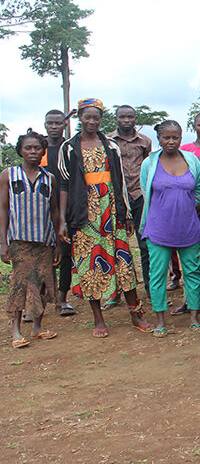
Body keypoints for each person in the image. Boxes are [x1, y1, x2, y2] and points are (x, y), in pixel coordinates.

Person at [57, 98, 153, 337]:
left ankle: (136, 313)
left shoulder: (110, 145)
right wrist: (62, 220)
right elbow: (64, 186)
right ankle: (98, 319)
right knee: (90, 265)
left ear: (101, 119)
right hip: (83, 215)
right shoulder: (68, 148)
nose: (91, 121)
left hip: (111, 212)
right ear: (80, 117)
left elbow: (119, 181)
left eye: (96, 117)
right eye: (87, 117)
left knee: (123, 262)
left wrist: (127, 213)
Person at [139, 120, 200, 336]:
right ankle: (160, 320)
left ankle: (195, 317)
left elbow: (198, 190)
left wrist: (183, 206)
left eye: (175, 137)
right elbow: (146, 191)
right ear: (159, 138)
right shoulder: (149, 164)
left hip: (188, 226)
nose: (171, 141)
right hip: (159, 228)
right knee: (157, 275)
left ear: (180, 137)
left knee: (193, 272)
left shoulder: (192, 161)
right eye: (166, 137)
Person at [0, 131, 60, 348]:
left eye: (37, 148)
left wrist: (57, 244)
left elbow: (54, 212)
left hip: (44, 240)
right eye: (28, 148)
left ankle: (37, 327)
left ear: (43, 151)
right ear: (20, 151)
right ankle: (16, 331)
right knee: (20, 283)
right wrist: (3, 242)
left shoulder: (49, 178)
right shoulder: (9, 174)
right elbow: (3, 208)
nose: (33, 152)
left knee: (42, 283)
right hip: (19, 240)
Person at [170, 111, 200, 314]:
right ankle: (191, 300)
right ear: (194, 127)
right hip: (189, 209)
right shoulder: (185, 151)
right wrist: (194, 204)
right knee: (190, 255)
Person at [108, 104, 152, 306]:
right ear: (116, 119)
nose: (126, 120)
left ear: (136, 119)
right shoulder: (108, 141)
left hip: (140, 196)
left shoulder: (145, 141)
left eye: (130, 117)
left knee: (145, 244)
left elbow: (148, 168)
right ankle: (114, 291)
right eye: (122, 117)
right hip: (116, 198)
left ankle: (151, 289)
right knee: (114, 244)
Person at [42, 109, 75, 316]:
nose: (54, 127)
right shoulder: (39, 148)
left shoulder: (70, 148)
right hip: (41, 209)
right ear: (45, 125)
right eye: (50, 123)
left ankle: (62, 299)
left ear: (64, 125)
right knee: (42, 255)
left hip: (66, 208)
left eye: (57, 123)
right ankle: (40, 299)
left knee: (65, 254)